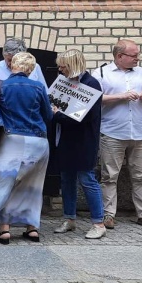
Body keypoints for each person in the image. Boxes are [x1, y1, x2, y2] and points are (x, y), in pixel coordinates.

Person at [0, 52, 52, 243]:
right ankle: (32, 229)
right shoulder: (39, 87)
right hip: (38, 141)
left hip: (11, 140)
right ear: (31, 69)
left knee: (2, 184)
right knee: (32, 186)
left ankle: (4, 230)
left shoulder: (0, 86)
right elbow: (47, 115)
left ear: (13, 65)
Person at [92, 39, 142, 230]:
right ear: (119, 56)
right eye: (133, 55)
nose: (137, 58)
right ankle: (108, 215)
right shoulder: (101, 73)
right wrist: (122, 96)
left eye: (138, 55)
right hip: (112, 132)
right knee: (109, 176)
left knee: (141, 176)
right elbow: (93, 99)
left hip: (139, 133)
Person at [50, 50, 107, 239]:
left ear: (73, 65)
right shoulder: (63, 82)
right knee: (67, 180)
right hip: (64, 140)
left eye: (62, 66)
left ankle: (99, 223)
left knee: (87, 179)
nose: (59, 69)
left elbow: (78, 117)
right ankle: (69, 218)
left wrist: (57, 114)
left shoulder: (91, 84)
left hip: (83, 141)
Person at [0, 37, 47, 101]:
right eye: (8, 59)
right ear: (3, 55)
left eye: (14, 60)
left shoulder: (35, 67)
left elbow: (45, 92)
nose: (10, 64)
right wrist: (2, 93)